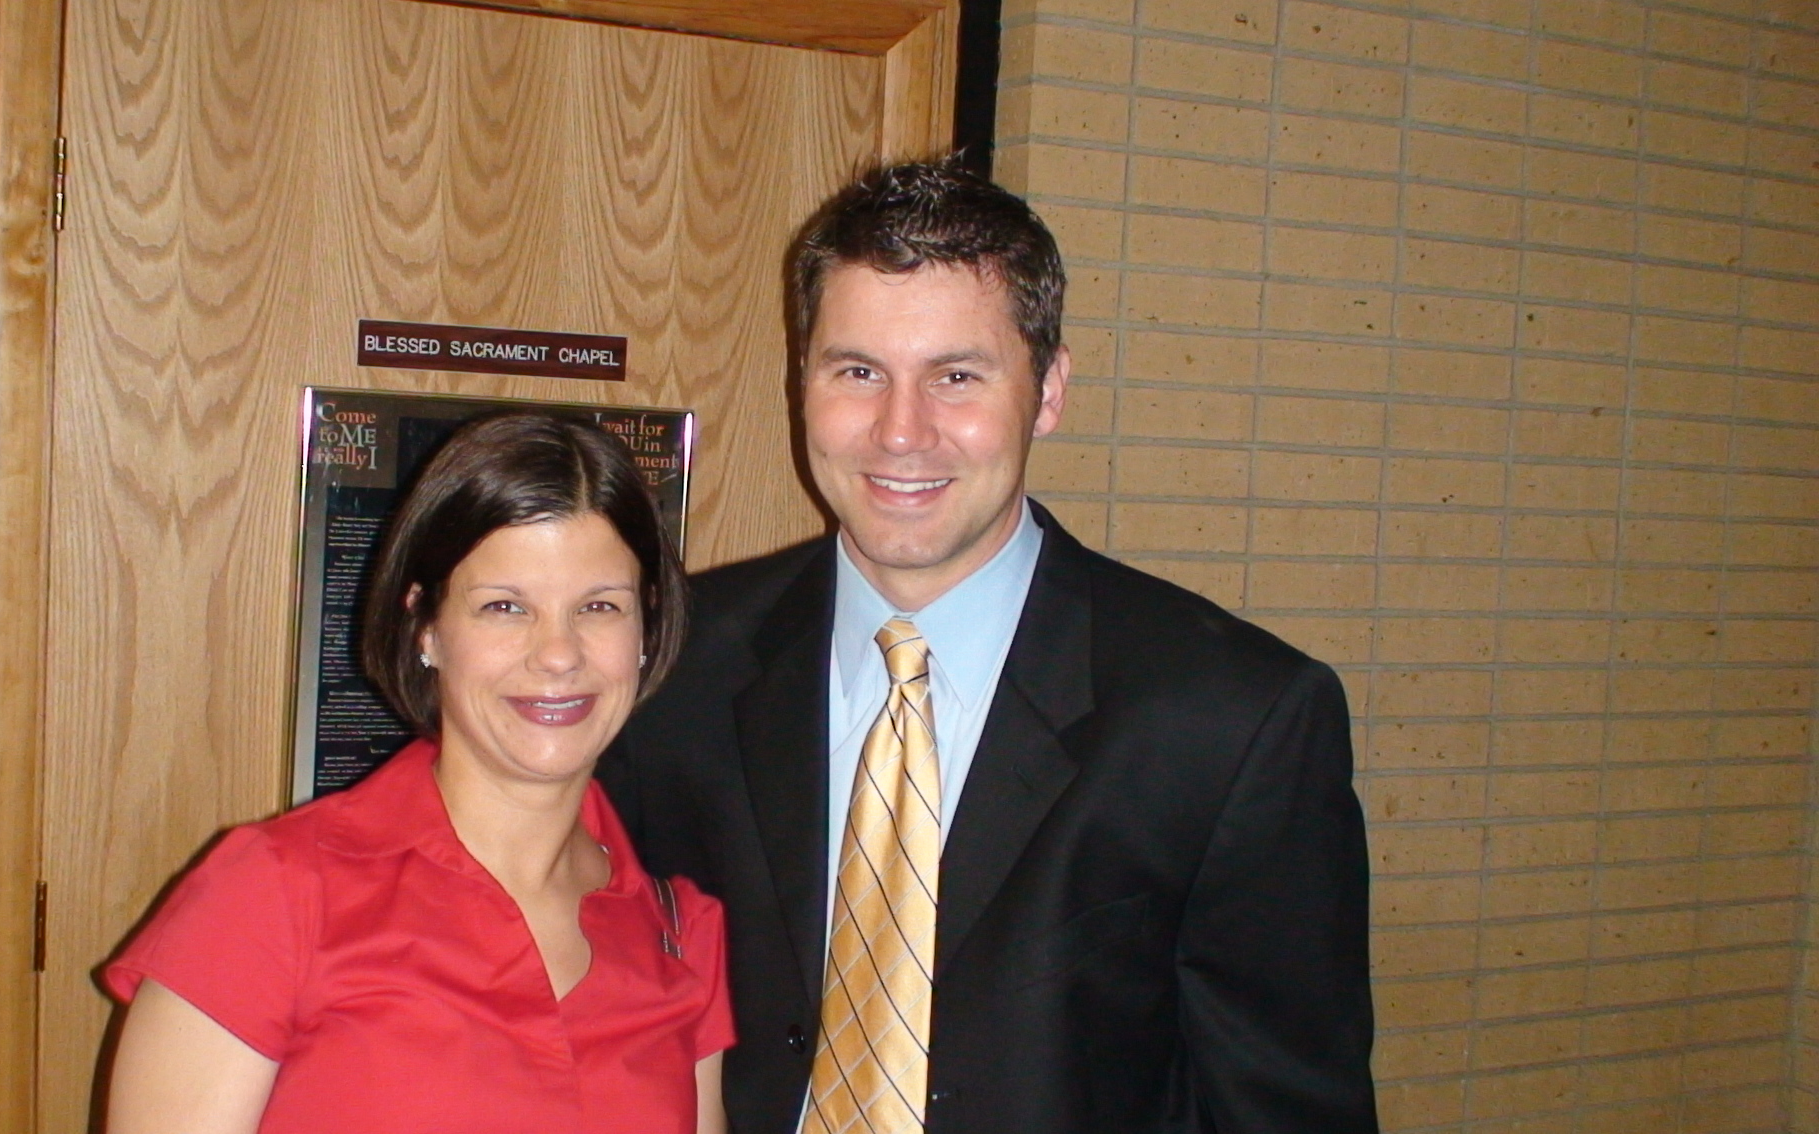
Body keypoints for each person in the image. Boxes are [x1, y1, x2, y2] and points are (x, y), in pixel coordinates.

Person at [601, 160, 1377, 1133]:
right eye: (858, 372)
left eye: (957, 377)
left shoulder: (1231, 721)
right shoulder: (676, 663)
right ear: (802, 382)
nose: (900, 432)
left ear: (1048, 391)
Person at [102, 411, 732, 1134]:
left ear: (645, 627)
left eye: (599, 607)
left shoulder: (680, 931)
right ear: (426, 626)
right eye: (504, 607)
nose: (559, 654)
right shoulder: (276, 894)